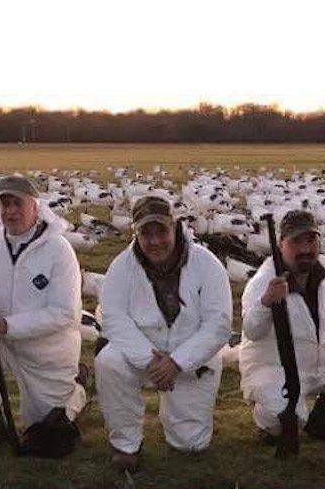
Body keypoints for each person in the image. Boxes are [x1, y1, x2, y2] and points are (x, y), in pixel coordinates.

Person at [0, 174, 85, 456]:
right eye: (4, 204)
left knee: (45, 429)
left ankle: (78, 390)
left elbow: (65, 313)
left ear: (35, 207)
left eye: (17, 203)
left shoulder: (58, 250)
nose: (10, 211)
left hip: (45, 351)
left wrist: (7, 324)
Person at [95, 194, 232, 469]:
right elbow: (113, 318)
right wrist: (151, 361)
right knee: (109, 361)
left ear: (175, 226)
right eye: (146, 233)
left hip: (193, 359)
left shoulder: (207, 264)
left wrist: (178, 362)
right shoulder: (121, 267)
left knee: (190, 445)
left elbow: (219, 324)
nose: (155, 241)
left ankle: (181, 422)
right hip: (144, 355)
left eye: (161, 231)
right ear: (136, 233)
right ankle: (126, 445)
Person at [239, 209, 325, 443]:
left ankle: (321, 419)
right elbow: (252, 330)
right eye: (295, 241)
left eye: (310, 240)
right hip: (273, 369)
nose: (305, 249)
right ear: (280, 244)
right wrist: (266, 303)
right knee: (287, 417)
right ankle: (268, 424)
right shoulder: (264, 281)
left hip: (320, 362)